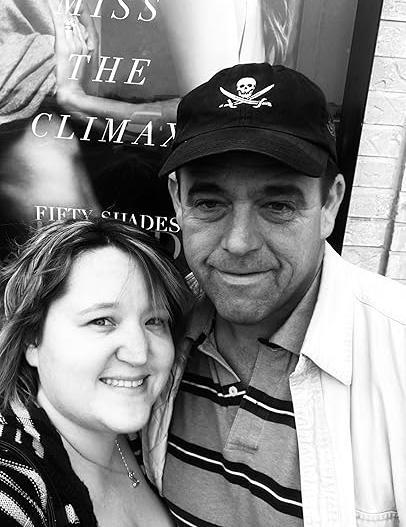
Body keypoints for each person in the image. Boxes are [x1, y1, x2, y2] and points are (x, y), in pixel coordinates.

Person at [142, 63, 406, 526]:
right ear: (177, 200)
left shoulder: (396, 350)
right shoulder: (148, 335)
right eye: (210, 203)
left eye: (278, 205)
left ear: (330, 204)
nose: (239, 242)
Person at [0, 218, 191, 526]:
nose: (139, 353)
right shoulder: (12, 476)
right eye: (101, 321)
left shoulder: (149, 437)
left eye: (154, 321)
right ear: (32, 340)